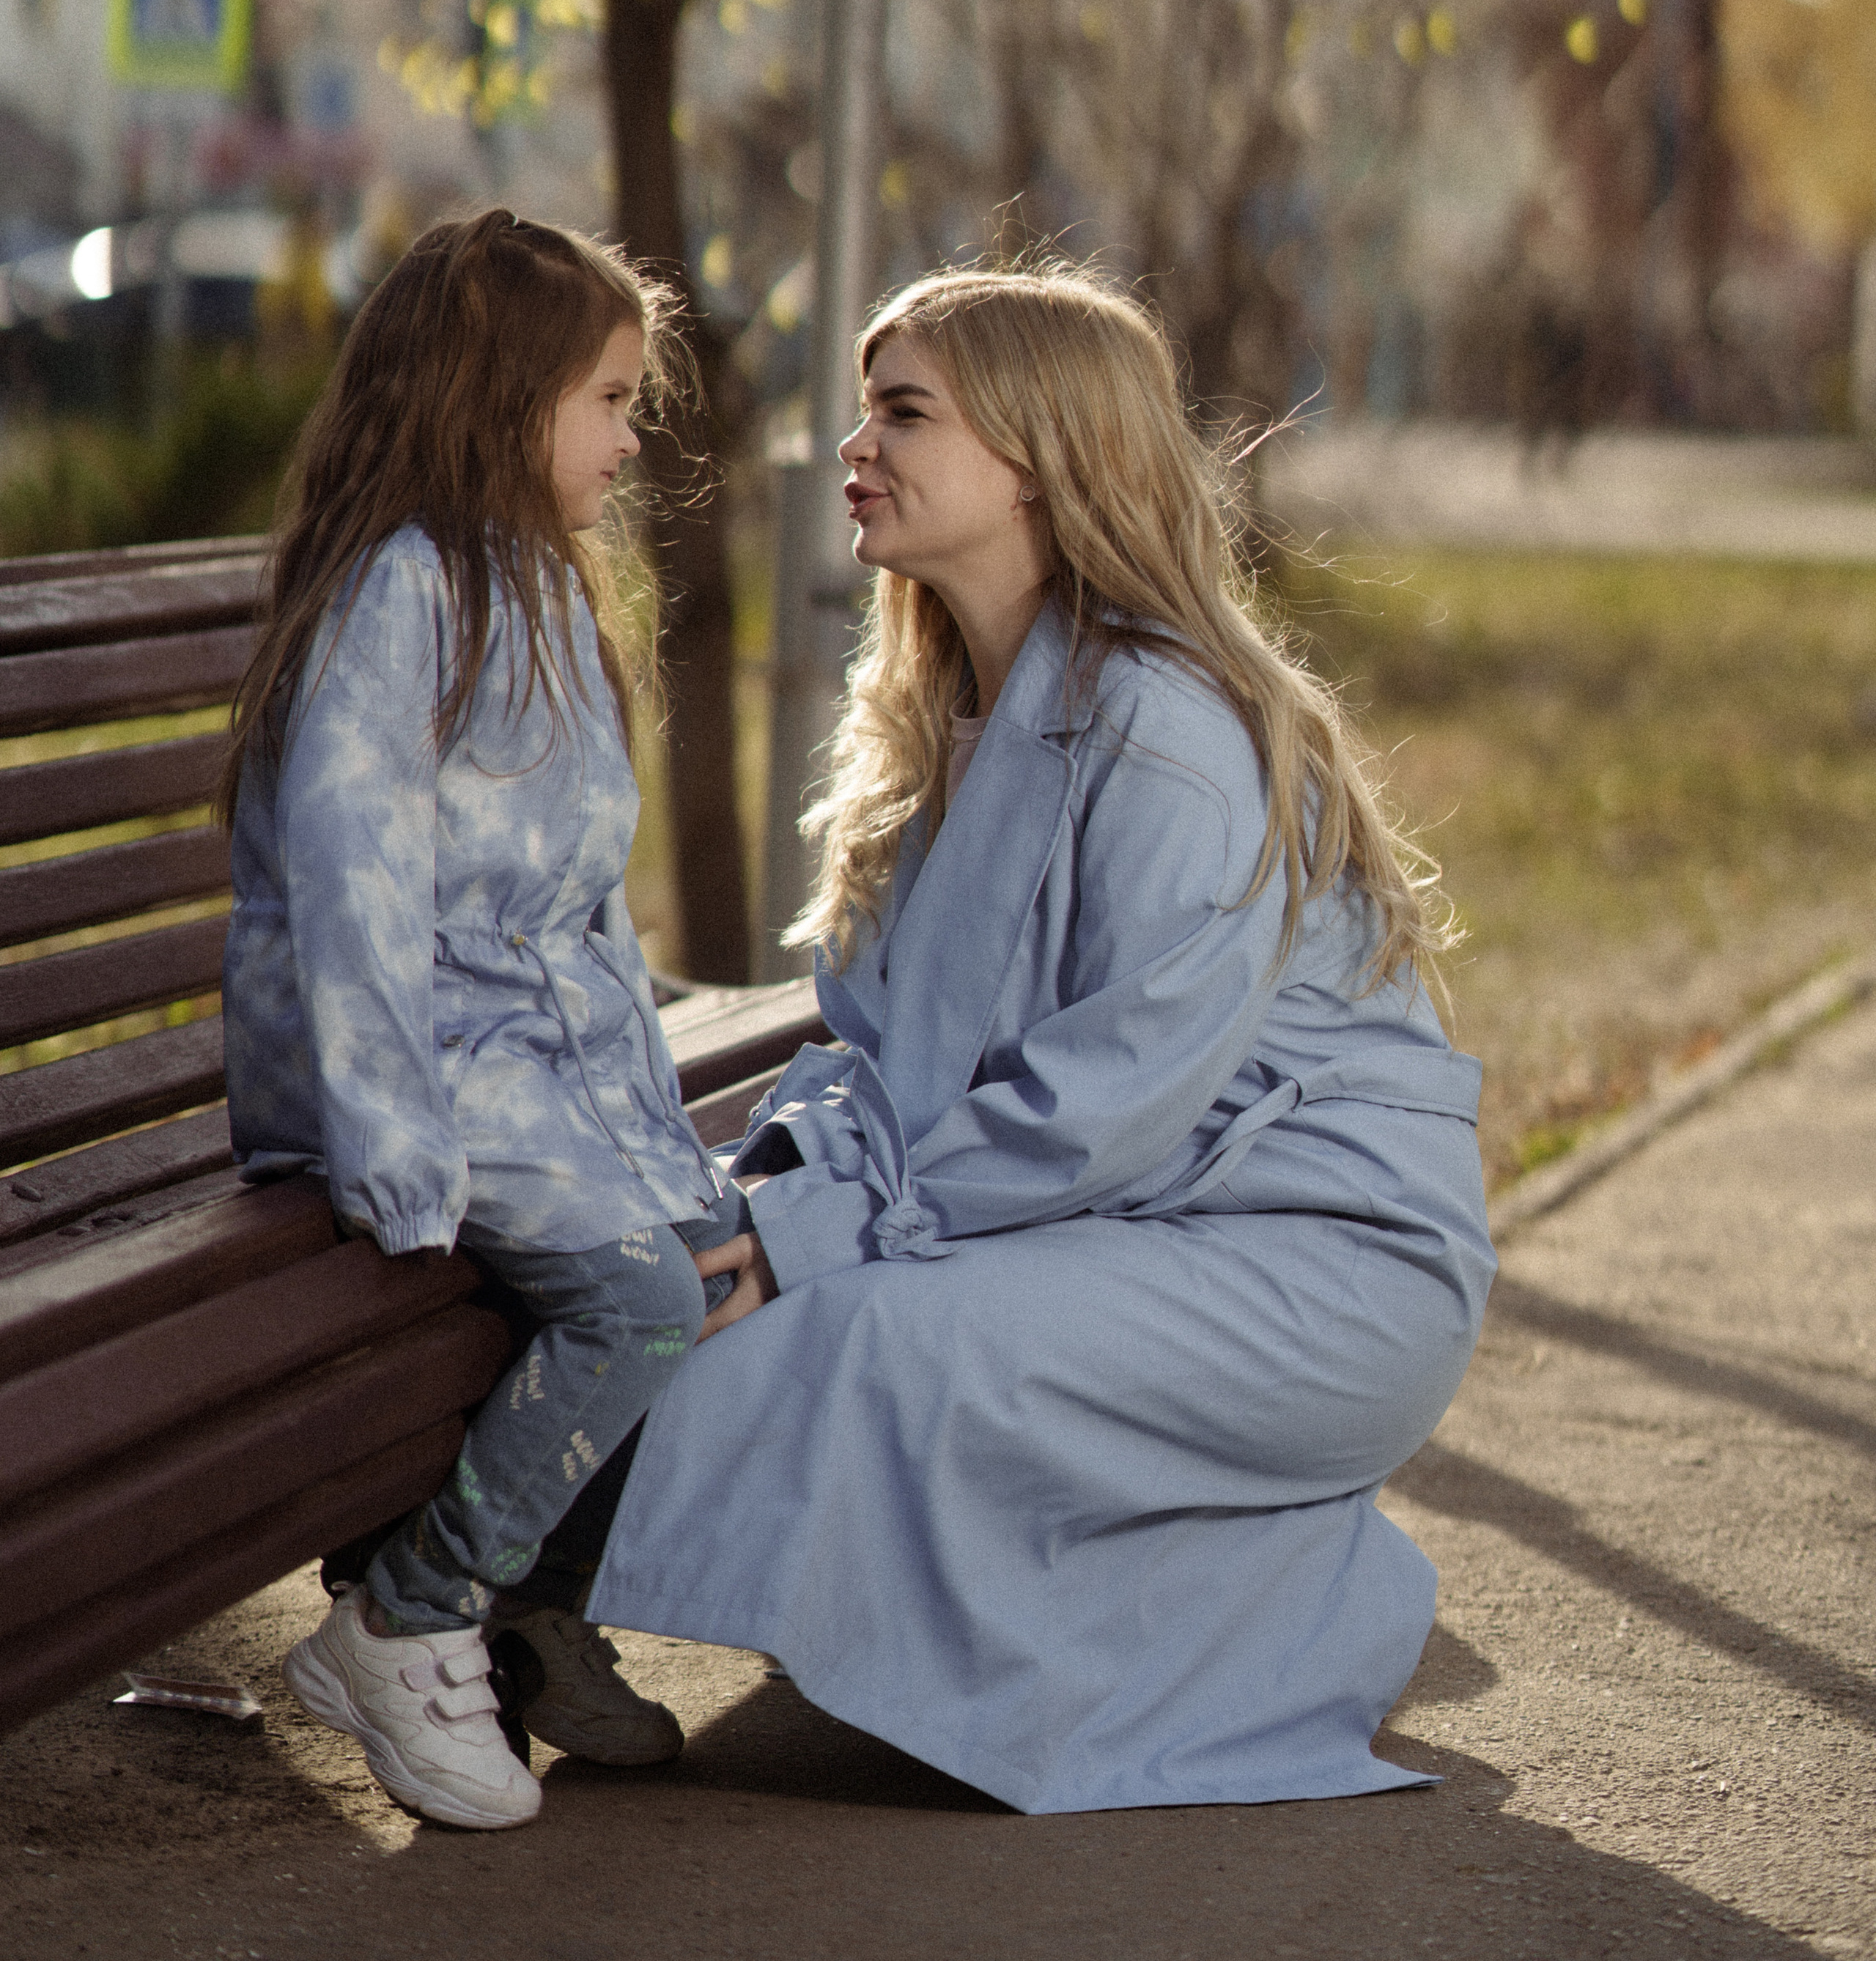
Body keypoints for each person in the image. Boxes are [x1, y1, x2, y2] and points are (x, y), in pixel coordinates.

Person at [577, 261, 1496, 1813]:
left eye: (902, 412)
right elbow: (897, 1061)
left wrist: (817, 1228)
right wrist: (775, 1191)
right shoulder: (962, 710)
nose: (855, 444)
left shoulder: (1164, 731)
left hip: (1318, 1265)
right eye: (866, 407)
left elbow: (1101, 1103)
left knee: (870, 1336)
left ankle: (488, 1564)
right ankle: (510, 1558)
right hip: (1136, 1217)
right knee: (775, 1299)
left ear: (1041, 457)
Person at [220, 210, 739, 1832]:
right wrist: (391, 1128)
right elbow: (352, 881)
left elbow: (585, 898)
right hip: (417, 1066)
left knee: (714, 1264)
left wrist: (647, 1102)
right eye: (605, 397)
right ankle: (409, 1614)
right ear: (492, 395)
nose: (628, 433)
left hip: (531, 1053)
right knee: (642, 1295)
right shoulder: (407, 595)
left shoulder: (542, 588)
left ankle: (528, 1602)